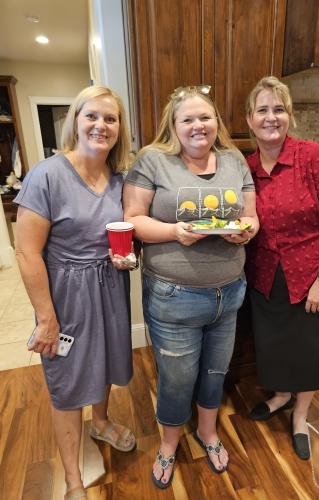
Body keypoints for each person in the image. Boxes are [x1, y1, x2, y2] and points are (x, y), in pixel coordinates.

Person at [123, 85, 259, 488]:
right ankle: (168, 443)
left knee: (216, 371)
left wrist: (246, 232)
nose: (198, 126)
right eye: (188, 119)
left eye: (205, 118)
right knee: (177, 377)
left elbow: (251, 215)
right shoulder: (153, 160)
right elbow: (132, 218)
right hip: (173, 296)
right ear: (174, 125)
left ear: (216, 122)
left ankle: (208, 432)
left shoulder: (235, 159)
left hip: (230, 291)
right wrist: (173, 231)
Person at [15, 86, 136, 500]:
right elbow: (26, 251)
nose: (101, 125)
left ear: (120, 129)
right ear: (76, 121)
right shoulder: (47, 175)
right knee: (66, 384)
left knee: (104, 365)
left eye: (111, 118)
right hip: (65, 294)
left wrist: (127, 260)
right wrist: (47, 318)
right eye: (92, 116)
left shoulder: (120, 180)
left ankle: (101, 423)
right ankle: (72, 480)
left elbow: (123, 236)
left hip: (110, 287)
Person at [244, 76, 319, 460]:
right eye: (263, 110)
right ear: (249, 120)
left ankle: (300, 415)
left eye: (279, 109)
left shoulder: (315, 158)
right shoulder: (246, 168)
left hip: (314, 271)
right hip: (267, 273)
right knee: (277, 346)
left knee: (309, 347)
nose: (271, 117)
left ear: (289, 116)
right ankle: (282, 396)